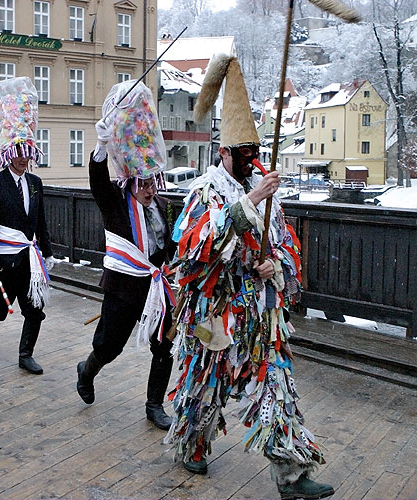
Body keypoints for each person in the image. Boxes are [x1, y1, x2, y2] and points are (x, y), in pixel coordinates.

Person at [165, 55, 334, 500]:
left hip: (259, 318)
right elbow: (195, 250)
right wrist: (250, 201)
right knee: (204, 385)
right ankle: (190, 443)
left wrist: (272, 266)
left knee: (276, 389)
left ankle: (292, 477)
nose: (253, 161)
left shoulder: (270, 197)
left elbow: (282, 249)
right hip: (216, 313)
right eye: (245, 154)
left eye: (256, 154)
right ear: (224, 153)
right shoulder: (204, 191)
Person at [75, 81, 176, 431]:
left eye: (153, 182)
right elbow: (98, 182)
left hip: (156, 291)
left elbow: (169, 246)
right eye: (143, 183)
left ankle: (154, 405)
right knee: (108, 347)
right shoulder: (116, 204)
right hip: (122, 289)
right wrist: (102, 147)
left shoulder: (163, 205)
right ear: (131, 181)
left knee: (165, 346)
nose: (149, 189)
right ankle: (87, 370)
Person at [0, 76, 55, 374]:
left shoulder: (35, 182)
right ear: (9, 152)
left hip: (30, 259)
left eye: (27, 153)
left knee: (35, 309)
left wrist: (46, 251)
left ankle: (25, 355)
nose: (24, 159)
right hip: (4, 258)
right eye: (18, 153)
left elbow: (40, 221)